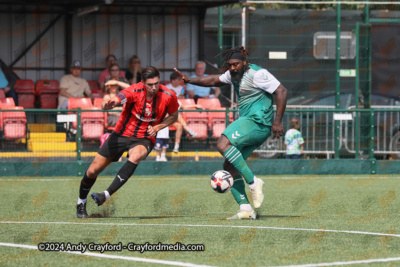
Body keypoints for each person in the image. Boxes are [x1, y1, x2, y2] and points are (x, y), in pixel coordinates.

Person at [174, 46, 287, 220]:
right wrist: (189, 80)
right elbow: (212, 80)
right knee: (229, 168)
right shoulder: (234, 75)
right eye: (230, 65)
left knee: (222, 143)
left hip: (257, 122)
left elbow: (282, 91)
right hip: (251, 125)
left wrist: (277, 122)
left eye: (236, 64)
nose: (232, 68)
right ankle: (246, 209)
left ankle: (254, 182)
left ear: (244, 63)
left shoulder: (257, 73)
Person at [76, 66, 179, 218]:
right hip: (121, 135)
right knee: (92, 171)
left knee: (136, 156)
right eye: (150, 84)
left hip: (144, 137)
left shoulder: (168, 95)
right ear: (142, 83)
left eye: (156, 83)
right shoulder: (134, 91)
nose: (154, 87)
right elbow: (121, 97)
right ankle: (81, 202)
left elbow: (174, 116)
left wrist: (158, 126)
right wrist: (111, 103)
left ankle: (106, 194)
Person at [166, 72, 197, 153]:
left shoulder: (177, 102)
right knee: (178, 115)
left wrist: (196, 105)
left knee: (179, 126)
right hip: (165, 121)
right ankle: (188, 130)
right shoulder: (164, 102)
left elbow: (184, 106)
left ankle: (176, 147)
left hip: (173, 121)